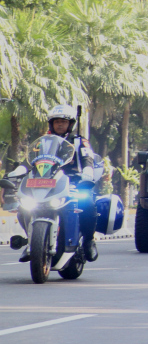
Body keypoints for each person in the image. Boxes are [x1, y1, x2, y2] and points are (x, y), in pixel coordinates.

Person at [12, 105, 99, 263]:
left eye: (64, 122)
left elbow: (87, 158)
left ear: (70, 124)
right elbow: (29, 160)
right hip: (45, 182)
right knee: (24, 206)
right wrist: (18, 170)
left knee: (88, 204)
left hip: (72, 181)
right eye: (56, 121)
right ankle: (32, 240)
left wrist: (87, 171)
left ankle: (88, 241)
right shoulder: (42, 142)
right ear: (51, 123)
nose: (60, 124)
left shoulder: (79, 141)